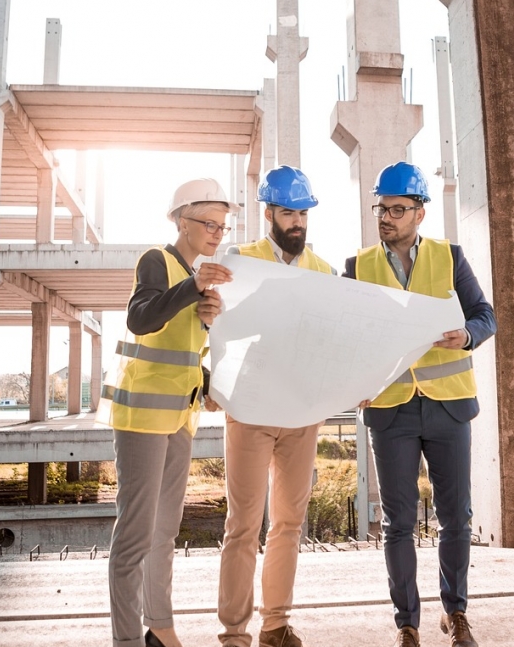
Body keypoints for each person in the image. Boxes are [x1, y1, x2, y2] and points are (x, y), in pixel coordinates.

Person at [343, 162, 497, 647]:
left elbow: (485, 315)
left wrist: (467, 335)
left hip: (448, 406)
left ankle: (456, 614)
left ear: (419, 213)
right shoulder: (358, 266)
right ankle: (407, 623)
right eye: (381, 208)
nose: (386, 217)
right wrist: (354, 381)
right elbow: (345, 335)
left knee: (456, 516)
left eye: (397, 209)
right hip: (391, 410)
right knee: (399, 523)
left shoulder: (449, 258)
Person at [99, 177, 236, 647]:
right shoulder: (157, 260)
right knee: (135, 535)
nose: (217, 232)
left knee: (165, 530)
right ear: (181, 220)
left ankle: (159, 626)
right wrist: (192, 289)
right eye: (208, 223)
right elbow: (140, 318)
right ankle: (126, 640)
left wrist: (210, 369)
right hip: (142, 417)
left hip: (180, 416)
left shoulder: (197, 275)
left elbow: (183, 352)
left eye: (223, 225)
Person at [216, 165, 335, 647]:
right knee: (242, 524)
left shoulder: (324, 271)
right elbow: (216, 326)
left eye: (304, 214)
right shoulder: (240, 260)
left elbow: (334, 340)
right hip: (250, 410)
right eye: (289, 212)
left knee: (288, 523)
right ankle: (233, 632)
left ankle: (275, 624)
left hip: (302, 413)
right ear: (269, 213)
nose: (298, 223)